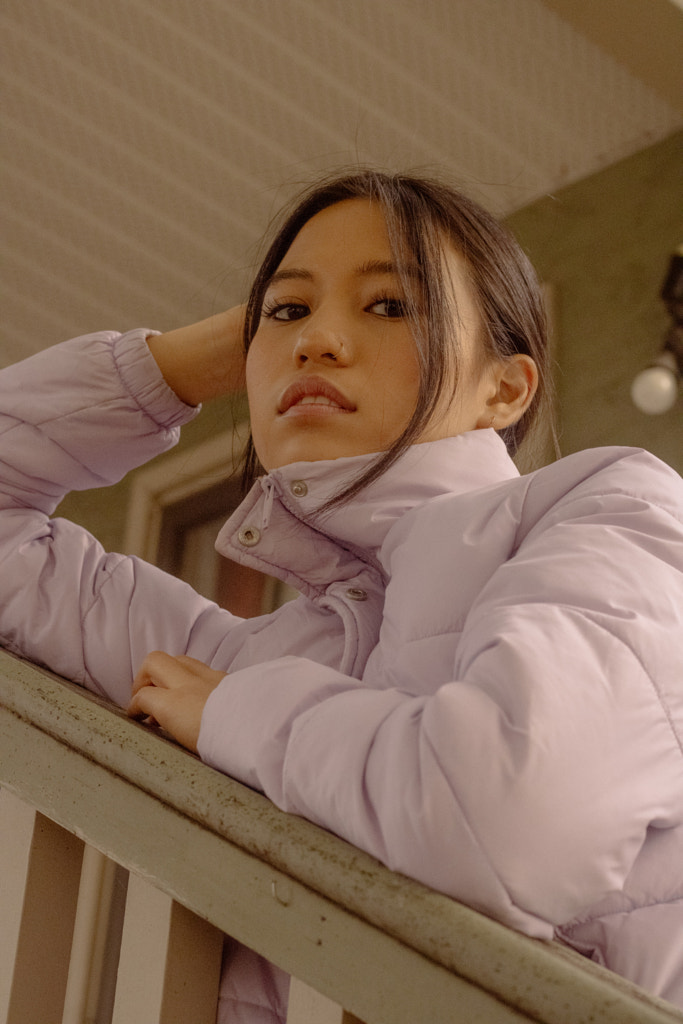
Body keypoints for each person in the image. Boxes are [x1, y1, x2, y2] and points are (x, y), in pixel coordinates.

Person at [0, 171, 682, 1022]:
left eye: (390, 306)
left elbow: (512, 820)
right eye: (285, 313)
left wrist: (239, 717)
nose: (318, 339)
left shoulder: (614, 505)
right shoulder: (239, 663)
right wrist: (178, 368)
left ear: (503, 389)